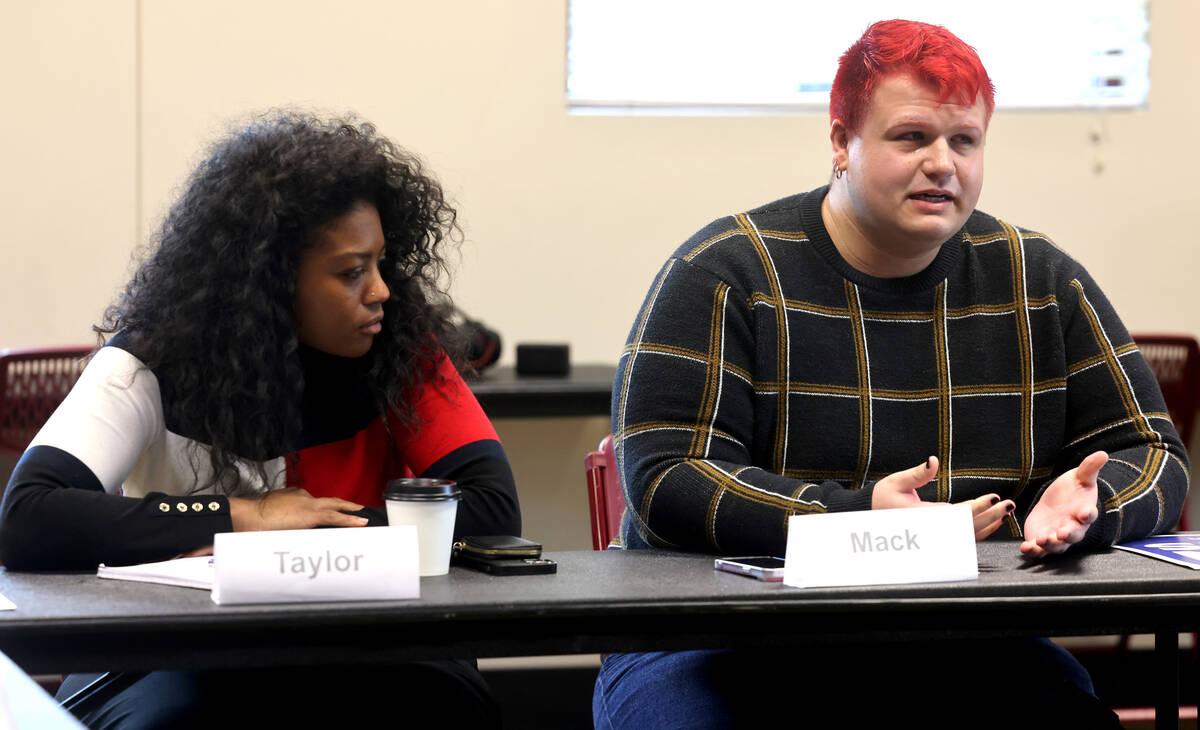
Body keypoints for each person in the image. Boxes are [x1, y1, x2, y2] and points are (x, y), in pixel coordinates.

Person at [595, 19, 1188, 729]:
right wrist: (862, 522)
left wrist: (1094, 509)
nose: (943, 163)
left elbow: (1153, 453)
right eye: (912, 138)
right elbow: (666, 478)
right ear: (842, 142)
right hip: (717, 637)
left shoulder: (1040, 278)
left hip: (957, 638)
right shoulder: (724, 273)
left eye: (964, 141)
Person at [0, 112, 520, 728]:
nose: (381, 291)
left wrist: (311, 540)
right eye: (352, 272)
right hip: (177, 652)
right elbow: (28, 516)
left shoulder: (402, 349)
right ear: (269, 282)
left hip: (375, 639)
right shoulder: (149, 364)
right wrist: (246, 516)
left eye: (382, 263)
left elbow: (492, 512)